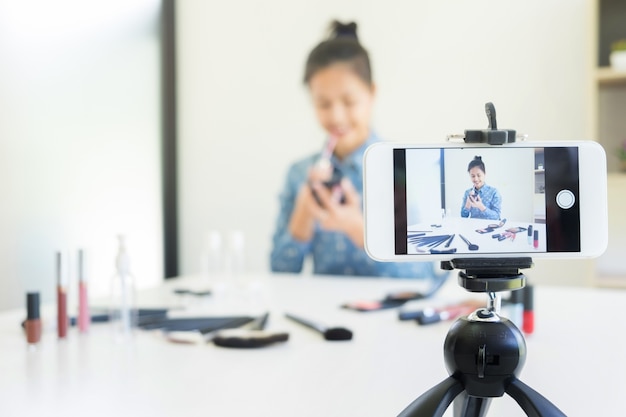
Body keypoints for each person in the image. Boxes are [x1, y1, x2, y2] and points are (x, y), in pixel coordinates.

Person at [270, 20, 439, 279]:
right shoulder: (300, 174)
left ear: (371, 93)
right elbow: (278, 272)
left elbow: (423, 274)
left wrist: (359, 230)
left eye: (349, 101)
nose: (337, 117)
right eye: (324, 104)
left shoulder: (399, 169)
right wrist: (302, 215)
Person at [460, 156, 502, 220]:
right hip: (472, 227)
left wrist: (481, 206)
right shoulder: (467, 193)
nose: (476, 179)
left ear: (484, 174)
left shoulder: (494, 192)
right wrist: (468, 204)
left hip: (489, 228)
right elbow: (463, 216)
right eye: (473, 176)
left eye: (479, 175)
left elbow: (497, 216)